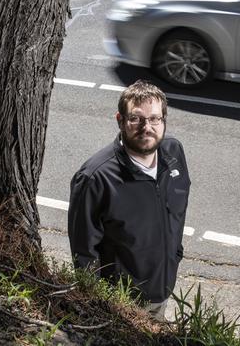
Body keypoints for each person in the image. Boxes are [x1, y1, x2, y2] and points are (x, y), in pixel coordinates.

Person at [67, 80, 191, 321]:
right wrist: (99, 306)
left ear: (164, 120)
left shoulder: (174, 152)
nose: (147, 127)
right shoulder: (95, 178)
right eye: (136, 119)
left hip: (163, 288)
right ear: (120, 120)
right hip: (122, 303)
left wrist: (175, 253)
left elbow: (177, 209)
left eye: (155, 118)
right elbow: (83, 255)